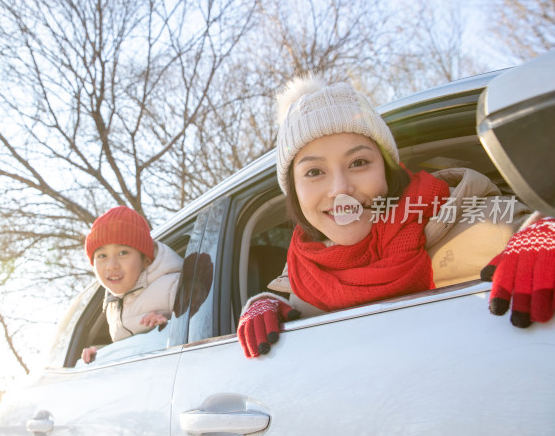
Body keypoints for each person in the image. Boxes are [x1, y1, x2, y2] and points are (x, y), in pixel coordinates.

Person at [237, 74, 555, 358]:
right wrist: (266, 304)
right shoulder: (301, 282)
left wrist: (547, 229)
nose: (340, 188)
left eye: (359, 163)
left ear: (387, 169)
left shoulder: (481, 221)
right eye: (314, 171)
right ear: (294, 191)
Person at [81, 206, 183, 364]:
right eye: (102, 256)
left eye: (123, 253)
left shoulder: (173, 285)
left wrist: (168, 325)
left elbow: (201, 332)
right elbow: (126, 349)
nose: (111, 265)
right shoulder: (111, 306)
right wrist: (99, 354)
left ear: (145, 260)